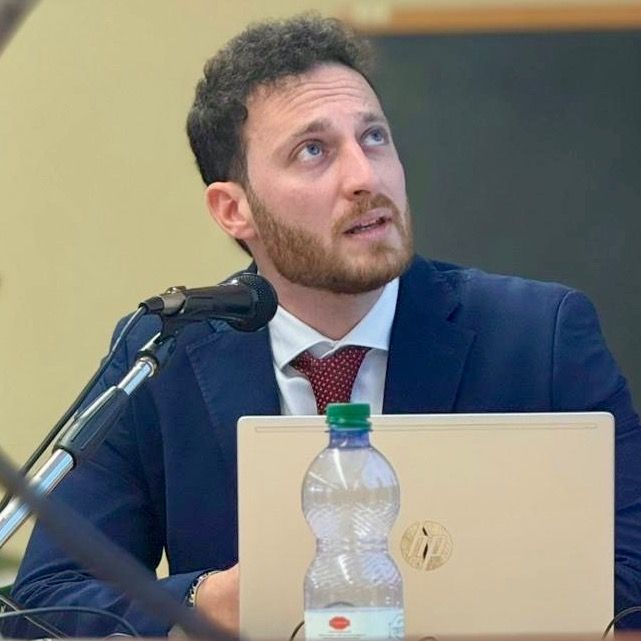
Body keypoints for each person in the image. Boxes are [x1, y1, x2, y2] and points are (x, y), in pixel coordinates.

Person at [10, 14, 641, 638]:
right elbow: (47, 603)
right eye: (313, 151)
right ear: (233, 209)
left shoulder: (539, 337)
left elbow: (633, 575)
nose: (365, 177)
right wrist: (212, 600)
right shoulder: (161, 355)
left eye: (374, 138)